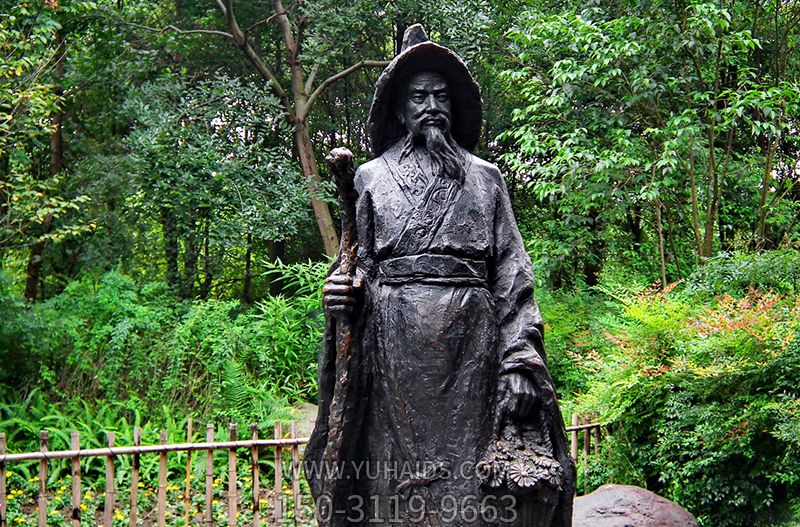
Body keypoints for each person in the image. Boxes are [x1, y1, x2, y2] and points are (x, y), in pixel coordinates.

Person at [305, 25, 574, 527]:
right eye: (418, 96)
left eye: (440, 95)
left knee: (472, 483)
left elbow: (513, 276)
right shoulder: (370, 178)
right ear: (400, 110)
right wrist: (341, 292)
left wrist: (518, 360)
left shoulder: (486, 179)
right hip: (392, 348)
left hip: (472, 347)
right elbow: (357, 265)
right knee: (392, 481)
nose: (431, 105)